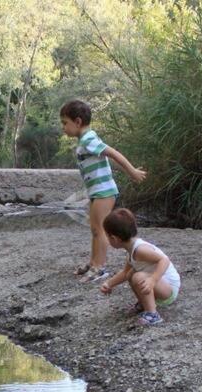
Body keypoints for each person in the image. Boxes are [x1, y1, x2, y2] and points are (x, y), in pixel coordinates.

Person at [59, 99, 147, 283]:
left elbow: (113, 153)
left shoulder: (89, 139)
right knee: (95, 228)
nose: (63, 128)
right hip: (96, 191)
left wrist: (132, 171)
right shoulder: (85, 139)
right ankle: (93, 263)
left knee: (100, 229)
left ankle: (100, 267)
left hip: (104, 191)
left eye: (65, 123)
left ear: (78, 122)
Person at [98, 208, 180, 326]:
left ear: (114, 239)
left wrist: (153, 280)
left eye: (107, 236)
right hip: (158, 285)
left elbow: (164, 260)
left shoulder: (140, 249)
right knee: (131, 274)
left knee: (138, 276)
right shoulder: (131, 250)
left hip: (169, 288)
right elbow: (125, 273)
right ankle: (144, 304)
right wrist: (109, 284)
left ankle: (153, 314)